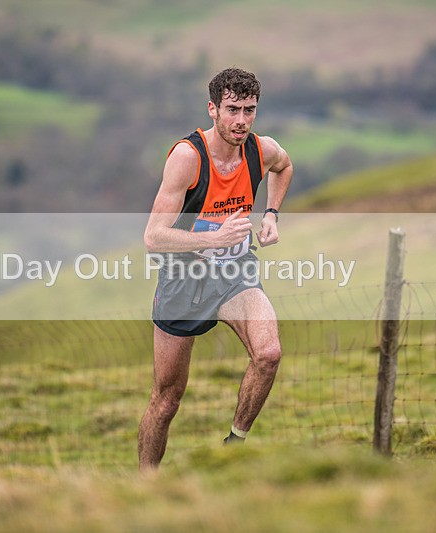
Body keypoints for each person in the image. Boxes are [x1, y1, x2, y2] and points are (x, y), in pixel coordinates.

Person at [138, 68, 293, 471]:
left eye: (249, 110)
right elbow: (154, 237)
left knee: (269, 353)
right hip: (184, 280)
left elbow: (285, 166)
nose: (241, 120)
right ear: (213, 109)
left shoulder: (262, 150)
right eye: (232, 110)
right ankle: (144, 484)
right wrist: (213, 239)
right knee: (167, 398)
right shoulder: (188, 158)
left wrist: (272, 215)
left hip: (234, 274)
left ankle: (235, 443)